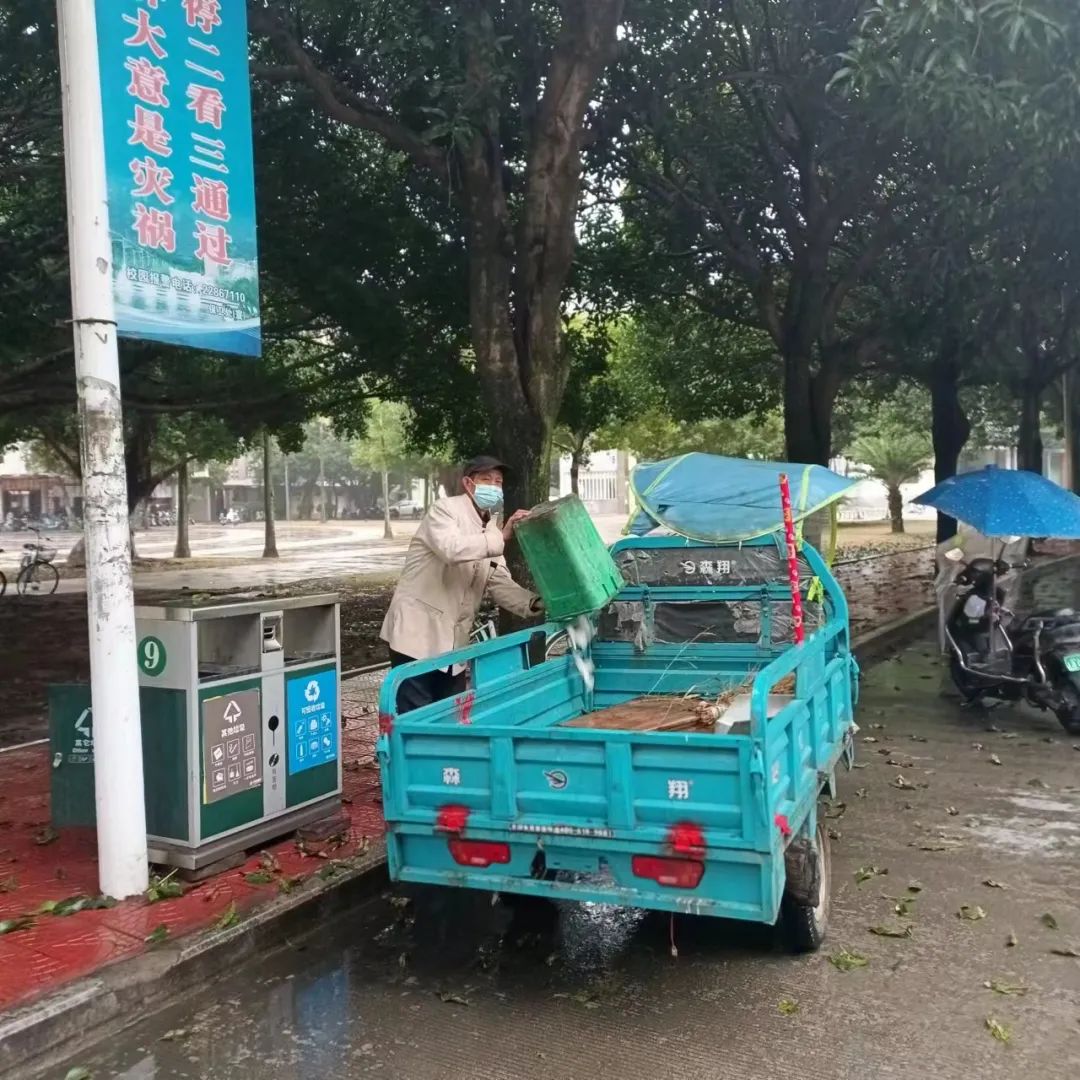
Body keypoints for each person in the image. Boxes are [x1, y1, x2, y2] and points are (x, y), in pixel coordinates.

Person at [380, 455, 543, 713]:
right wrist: (501, 537)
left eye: (498, 482)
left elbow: (498, 581)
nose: (494, 486)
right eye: (486, 480)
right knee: (417, 719)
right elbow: (452, 549)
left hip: (454, 647)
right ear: (468, 483)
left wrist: (537, 603)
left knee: (450, 718)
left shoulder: (491, 527)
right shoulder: (445, 510)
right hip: (416, 635)